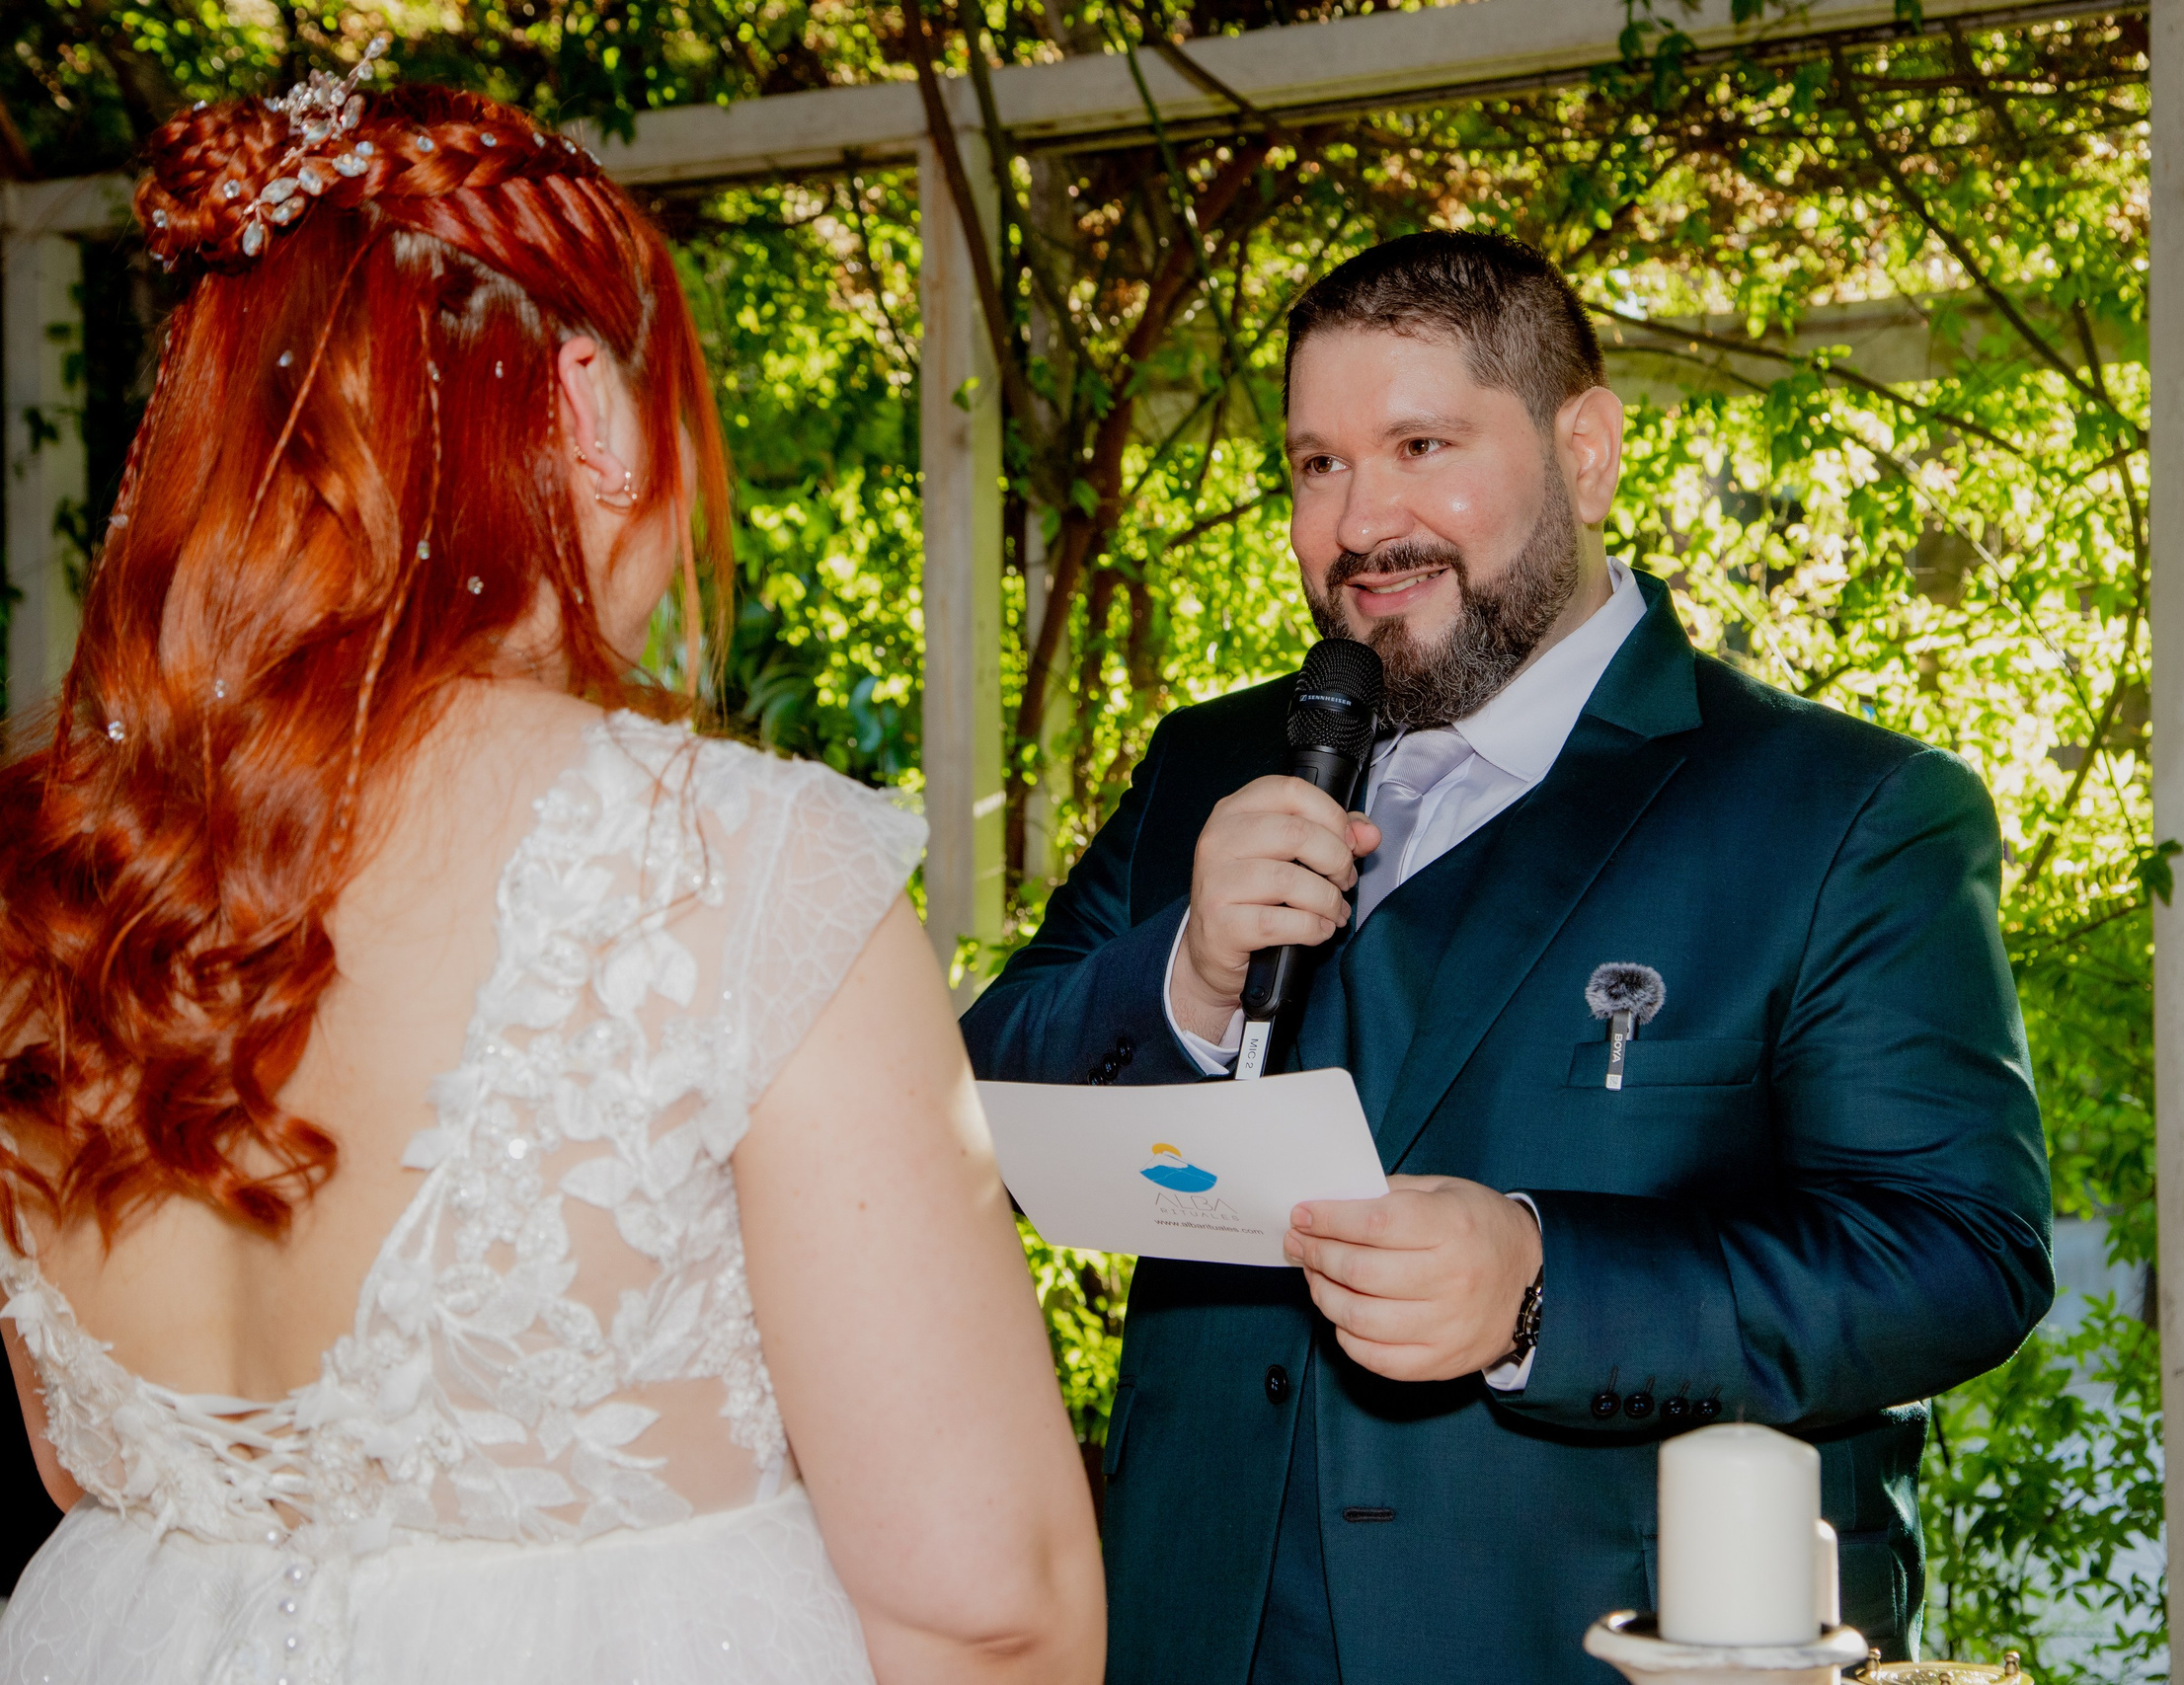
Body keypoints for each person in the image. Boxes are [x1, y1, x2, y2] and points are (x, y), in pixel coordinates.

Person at [0, 69, 1101, 1685]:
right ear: (585, 406)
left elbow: (81, 1468)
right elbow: (983, 1600)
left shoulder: (52, 877)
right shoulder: (727, 860)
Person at [961, 232, 2054, 1685]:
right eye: (1317, 466)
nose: (1361, 523)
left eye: (1422, 444)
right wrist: (1187, 978)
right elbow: (984, 1116)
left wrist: (1543, 1289)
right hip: (1192, 1634)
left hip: (1598, 1650)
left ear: (1584, 451)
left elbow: (1958, 1255)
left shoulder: (1841, 811)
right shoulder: (1206, 767)